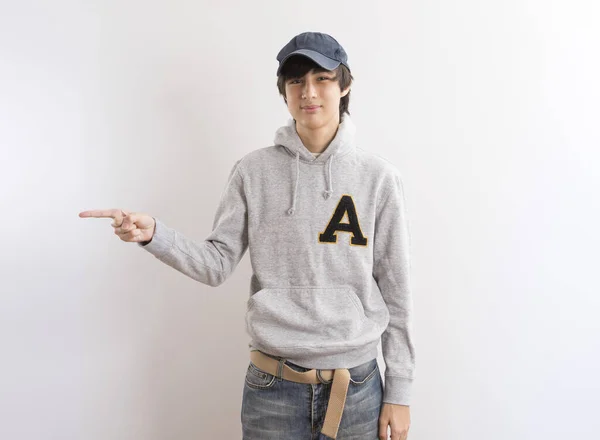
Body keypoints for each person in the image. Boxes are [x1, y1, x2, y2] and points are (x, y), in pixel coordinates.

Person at [79, 31, 414, 440]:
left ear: (344, 86)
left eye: (322, 78)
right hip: (272, 389)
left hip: (358, 388)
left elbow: (396, 291)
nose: (309, 92)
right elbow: (216, 264)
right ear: (284, 94)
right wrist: (155, 235)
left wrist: (400, 390)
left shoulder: (379, 179)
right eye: (296, 81)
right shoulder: (252, 172)